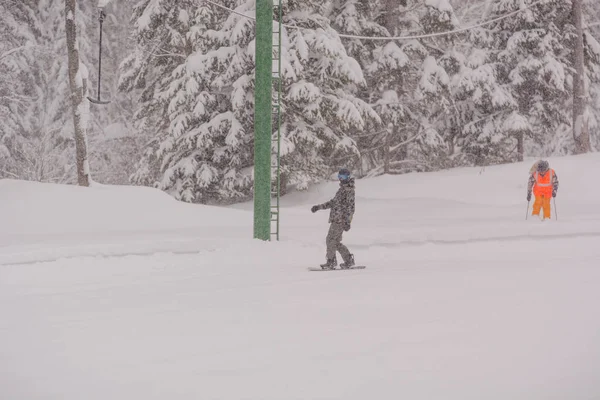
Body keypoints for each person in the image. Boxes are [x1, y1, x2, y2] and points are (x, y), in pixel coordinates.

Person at [311, 168, 355, 269]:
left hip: (341, 221)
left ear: (348, 177)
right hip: (336, 219)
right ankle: (348, 260)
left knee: (330, 240)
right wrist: (319, 207)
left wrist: (347, 221)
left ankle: (331, 261)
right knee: (334, 242)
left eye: (343, 177)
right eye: (339, 176)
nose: (341, 179)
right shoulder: (342, 190)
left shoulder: (349, 191)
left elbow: (350, 208)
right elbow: (333, 203)